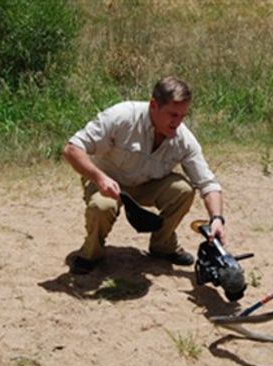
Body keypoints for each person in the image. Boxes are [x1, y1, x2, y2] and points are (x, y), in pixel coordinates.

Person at [62, 76, 226, 274]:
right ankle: (91, 254)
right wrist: (99, 178)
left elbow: (208, 183)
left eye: (183, 115)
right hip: (106, 181)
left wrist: (217, 219)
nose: (178, 122)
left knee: (184, 190)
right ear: (154, 105)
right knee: (101, 206)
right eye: (173, 114)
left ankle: (162, 246)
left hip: (147, 185)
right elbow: (72, 149)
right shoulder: (122, 116)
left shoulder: (184, 139)